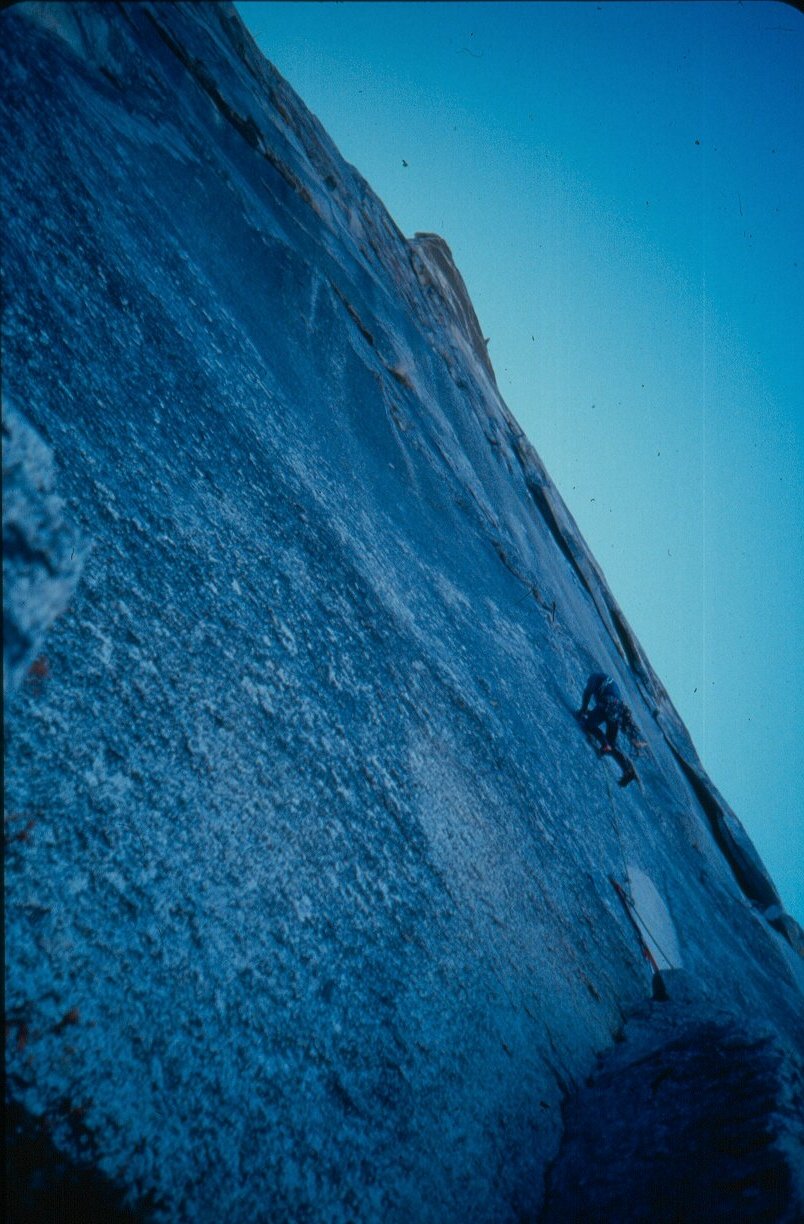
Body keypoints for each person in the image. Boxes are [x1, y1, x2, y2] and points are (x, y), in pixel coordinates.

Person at [576, 672, 641, 787]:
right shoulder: (606, 680)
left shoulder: (593, 677)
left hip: (608, 704)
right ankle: (627, 769)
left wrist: (583, 709)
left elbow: (587, 693)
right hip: (617, 708)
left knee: (589, 725)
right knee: (612, 742)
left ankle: (605, 745)